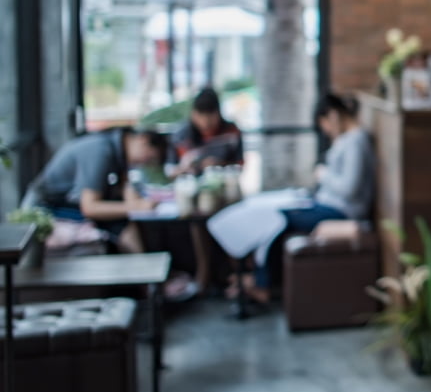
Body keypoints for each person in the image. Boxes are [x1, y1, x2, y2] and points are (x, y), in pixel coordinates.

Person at [207, 93, 375, 303]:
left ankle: (262, 284)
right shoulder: (348, 140)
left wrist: (324, 174)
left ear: (332, 116)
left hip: (341, 211)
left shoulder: (356, 141)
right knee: (271, 213)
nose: (325, 130)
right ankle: (256, 277)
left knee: (277, 220)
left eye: (323, 123)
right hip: (327, 204)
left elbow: (350, 188)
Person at [22, 127, 167, 225]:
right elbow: (90, 208)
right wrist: (135, 207)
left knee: (120, 222)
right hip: (44, 209)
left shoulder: (118, 151)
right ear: (143, 140)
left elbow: (128, 193)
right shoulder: (101, 150)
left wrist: (137, 203)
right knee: (116, 223)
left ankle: (142, 264)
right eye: (150, 159)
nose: (145, 164)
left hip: (67, 206)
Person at [169, 87, 243, 177]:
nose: (205, 122)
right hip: (188, 186)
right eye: (200, 116)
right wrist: (185, 168)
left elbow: (240, 165)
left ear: (218, 113)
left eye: (210, 116)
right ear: (193, 114)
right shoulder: (180, 136)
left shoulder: (231, 132)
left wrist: (218, 164)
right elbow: (170, 171)